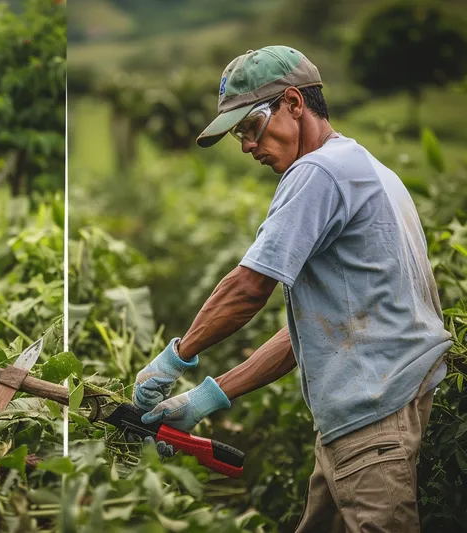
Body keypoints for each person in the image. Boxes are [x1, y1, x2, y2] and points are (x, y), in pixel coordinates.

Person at [132, 46, 451, 533]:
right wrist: (204, 399)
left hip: (372, 425)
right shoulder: (365, 167)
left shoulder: (316, 173)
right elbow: (313, 330)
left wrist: (176, 358)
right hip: (373, 416)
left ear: (295, 104)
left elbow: (249, 287)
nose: (246, 146)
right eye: (239, 134)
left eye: (252, 126)